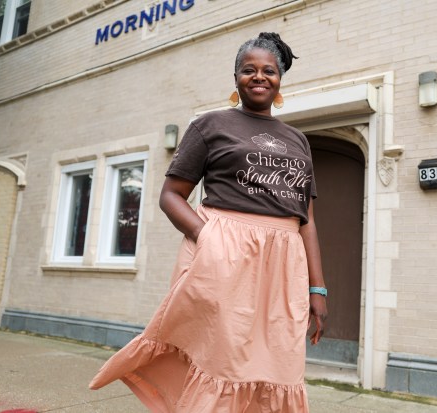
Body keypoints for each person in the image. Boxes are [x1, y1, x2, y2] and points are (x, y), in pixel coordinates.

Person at [89, 32, 328, 412]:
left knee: (280, 364)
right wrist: (211, 237)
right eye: (248, 69)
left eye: (269, 70)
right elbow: (171, 196)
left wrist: (318, 289)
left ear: (280, 80)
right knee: (224, 361)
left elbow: (307, 221)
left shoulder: (297, 139)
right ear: (235, 78)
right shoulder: (210, 125)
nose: (259, 76)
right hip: (226, 255)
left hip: (284, 265)